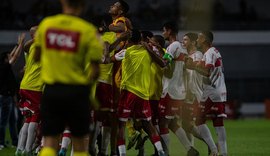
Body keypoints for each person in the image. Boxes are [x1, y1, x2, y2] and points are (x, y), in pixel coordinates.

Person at [33, 0, 104, 156]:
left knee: (50, 143)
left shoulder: (46, 25)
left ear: (62, 2)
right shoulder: (88, 31)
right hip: (77, 92)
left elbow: (37, 56)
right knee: (79, 145)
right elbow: (95, 70)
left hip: (52, 90)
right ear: (83, 5)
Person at [117, 29, 165, 156]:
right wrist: (150, 49)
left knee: (120, 124)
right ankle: (160, 151)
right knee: (148, 124)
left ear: (128, 40)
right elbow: (163, 63)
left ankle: (122, 154)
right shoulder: (149, 52)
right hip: (144, 95)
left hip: (128, 93)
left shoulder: (125, 52)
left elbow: (107, 59)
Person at [158, 21, 199, 156]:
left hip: (170, 90)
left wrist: (154, 54)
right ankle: (190, 149)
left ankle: (166, 153)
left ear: (169, 31)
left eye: (164, 30)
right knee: (172, 123)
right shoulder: (182, 47)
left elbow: (165, 65)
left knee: (163, 123)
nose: (163, 33)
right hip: (178, 91)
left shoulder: (173, 46)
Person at [192, 31, 228, 156]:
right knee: (218, 122)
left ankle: (213, 150)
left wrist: (193, 67)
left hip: (211, 91)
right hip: (220, 91)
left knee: (198, 119)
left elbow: (207, 72)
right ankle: (223, 153)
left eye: (199, 38)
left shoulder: (209, 53)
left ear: (205, 40)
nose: (197, 40)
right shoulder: (213, 52)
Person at [15, 26, 43, 156]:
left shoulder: (31, 47)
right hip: (35, 88)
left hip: (24, 86)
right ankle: (27, 150)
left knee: (28, 118)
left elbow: (25, 46)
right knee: (35, 118)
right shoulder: (40, 47)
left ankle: (19, 149)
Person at [0, 33, 25, 150]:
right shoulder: (4, 67)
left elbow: (13, 56)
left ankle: (14, 142)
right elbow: (15, 56)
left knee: (12, 121)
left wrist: (17, 44)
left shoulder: (4, 66)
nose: (11, 56)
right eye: (8, 56)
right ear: (5, 59)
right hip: (5, 97)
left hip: (7, 97)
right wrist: (20, 44)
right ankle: (1, 142)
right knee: (3, 121)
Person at [181, 32, 204, 145]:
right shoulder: (184, 55)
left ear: (193, 42)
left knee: (188, 124)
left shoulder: (198, 55)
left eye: (185, 40)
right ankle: (192, 149)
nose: (183, 42)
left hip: (193, 94)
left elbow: (196, 70)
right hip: (185, 95)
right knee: (186, 125)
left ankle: (210, 144)